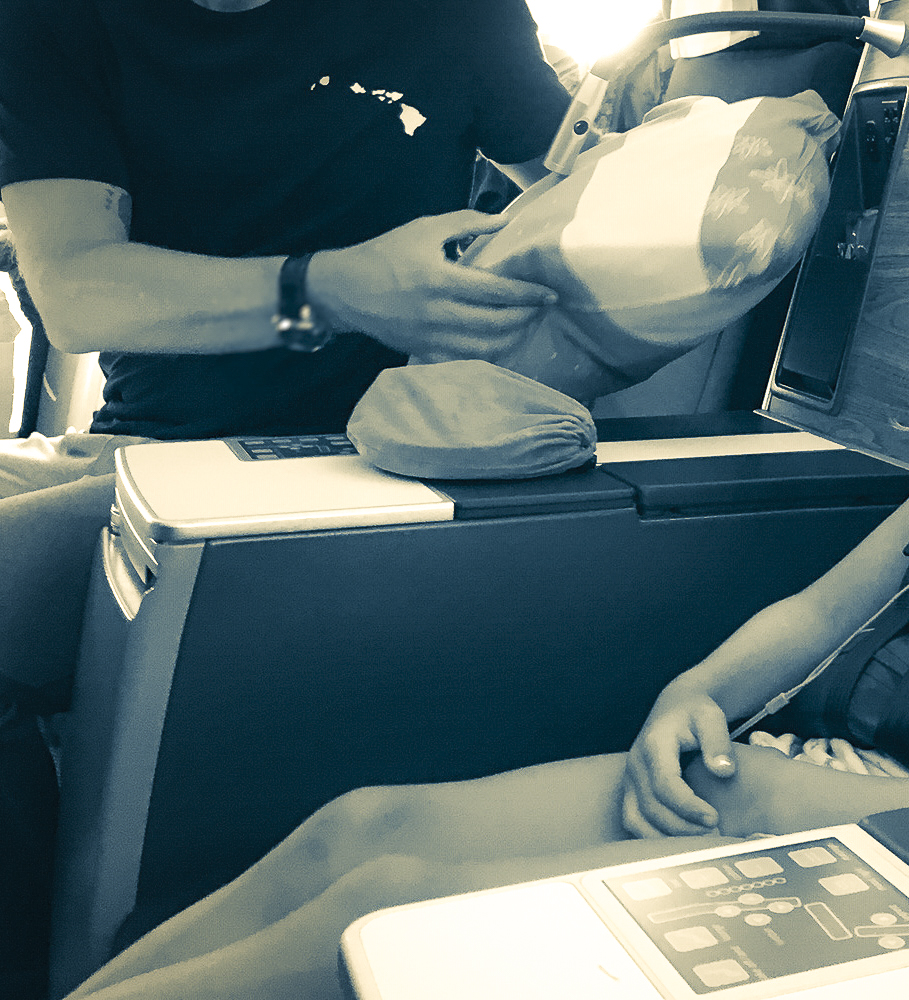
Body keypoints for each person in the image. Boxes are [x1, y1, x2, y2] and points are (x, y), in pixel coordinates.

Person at [61, 16, 909, 1000]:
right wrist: (703, 694)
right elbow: (826, 609)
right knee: (366, 830)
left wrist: (784, 800)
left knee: (384, 914)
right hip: (821, 783)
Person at [0, 1, 571, 996]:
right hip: (148, 445)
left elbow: (573, 188)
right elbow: (79, 290)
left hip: (385, 448)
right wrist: (326, 289)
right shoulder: (51, 19)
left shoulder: (459, 12)